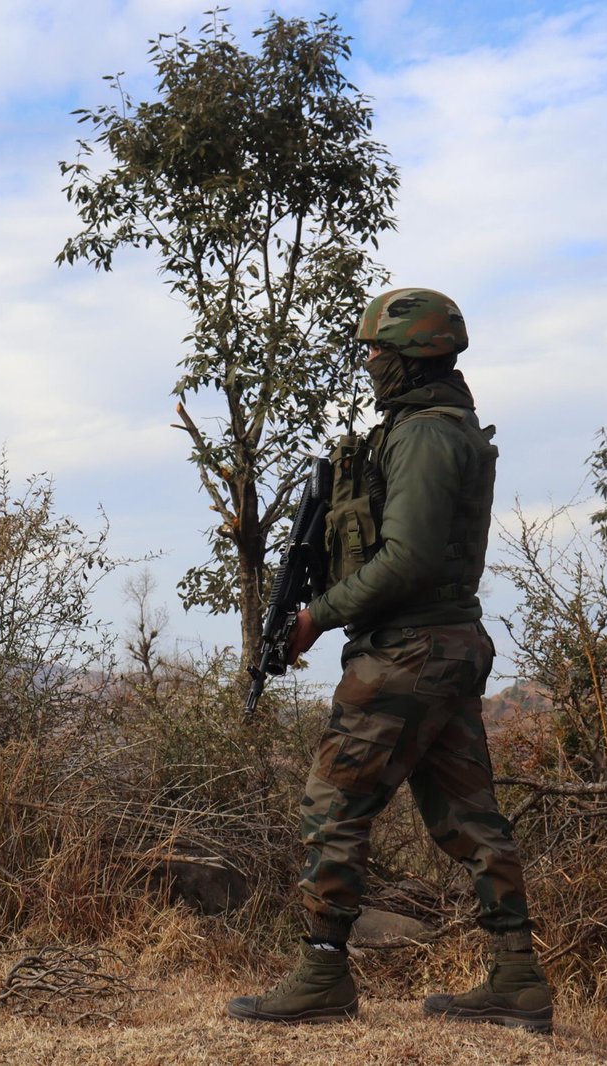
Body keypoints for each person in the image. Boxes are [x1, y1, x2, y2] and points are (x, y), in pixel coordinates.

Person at [226, 288, 553, 1031]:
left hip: (408, 651)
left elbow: (406, 559)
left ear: (409, 356)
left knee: (333, 802)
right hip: (447, 645)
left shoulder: (424, 436)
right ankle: (517, 980)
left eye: (377, 349)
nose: (369, 360)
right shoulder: (439, 427)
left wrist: (316, 616)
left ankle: (323, 974)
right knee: (470, 818)